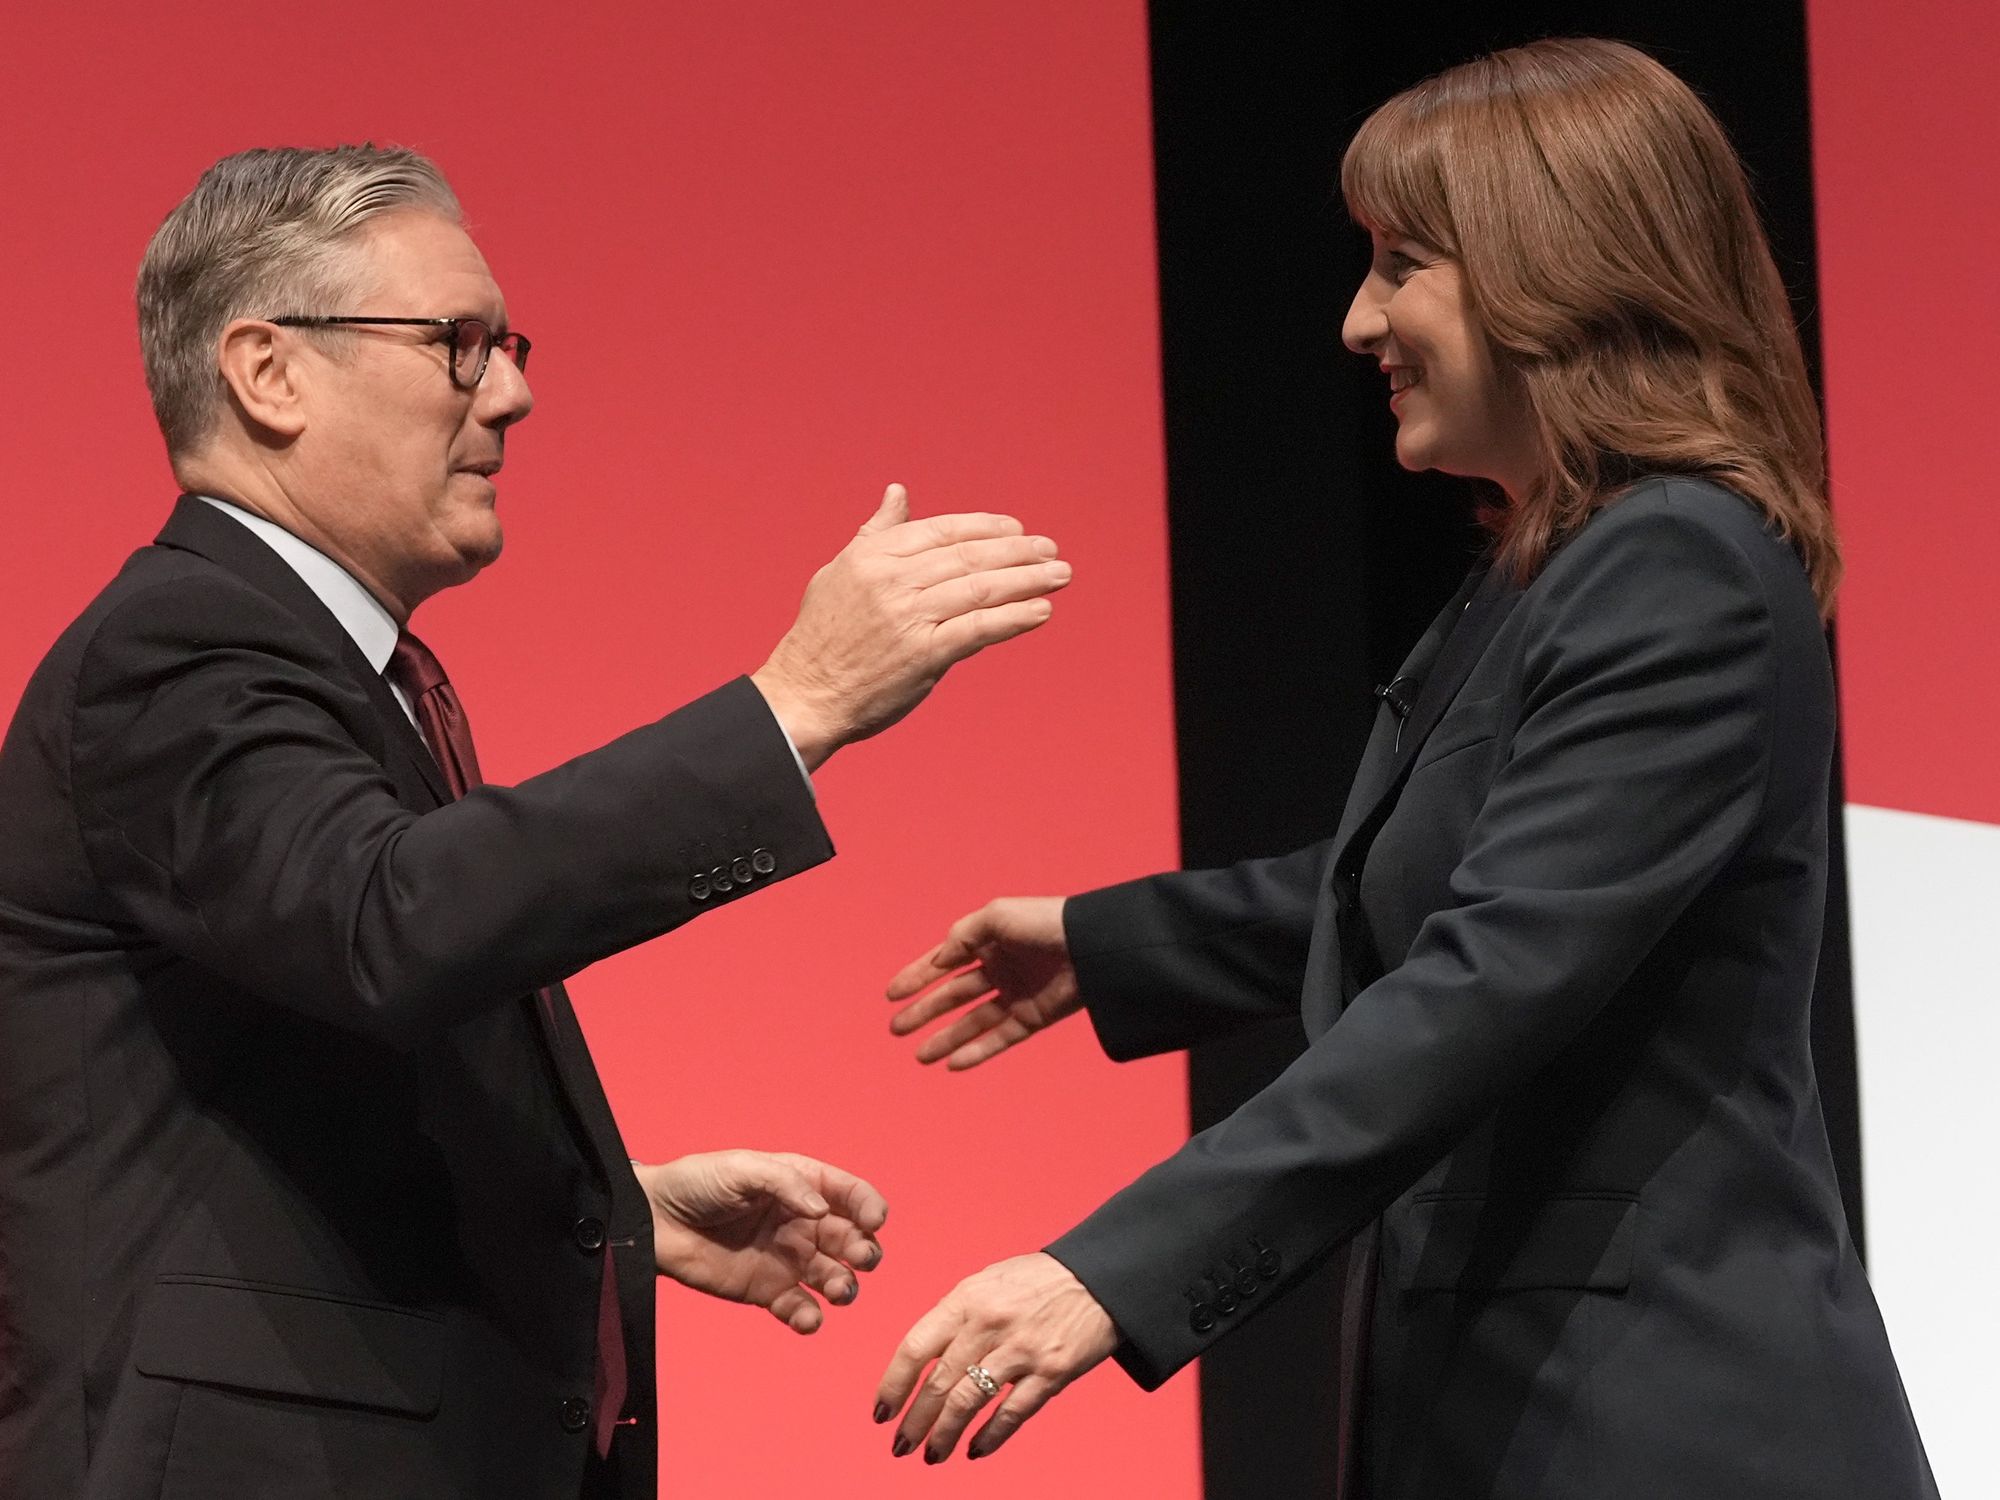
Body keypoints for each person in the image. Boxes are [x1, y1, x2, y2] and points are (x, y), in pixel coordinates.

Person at [872, 38, 1936, 1498]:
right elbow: (1463, 876)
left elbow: (1494, 974)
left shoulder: (1674, 567)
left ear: (1556, 273)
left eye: (1404, 265)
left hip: (1666, 1431)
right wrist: (1118, 947)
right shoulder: (1553, 565)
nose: (1360, 320)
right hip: (1523, 1421)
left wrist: (1106, 1273)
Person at [0, 145, 1072, 1500]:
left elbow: (287, 1071)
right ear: (268, 372)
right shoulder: (177, 649)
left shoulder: (320, 663)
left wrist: (617, 1203)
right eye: (456, 343)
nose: (512, 393)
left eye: (506, 344)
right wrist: (791, 705)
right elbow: (388, 924)